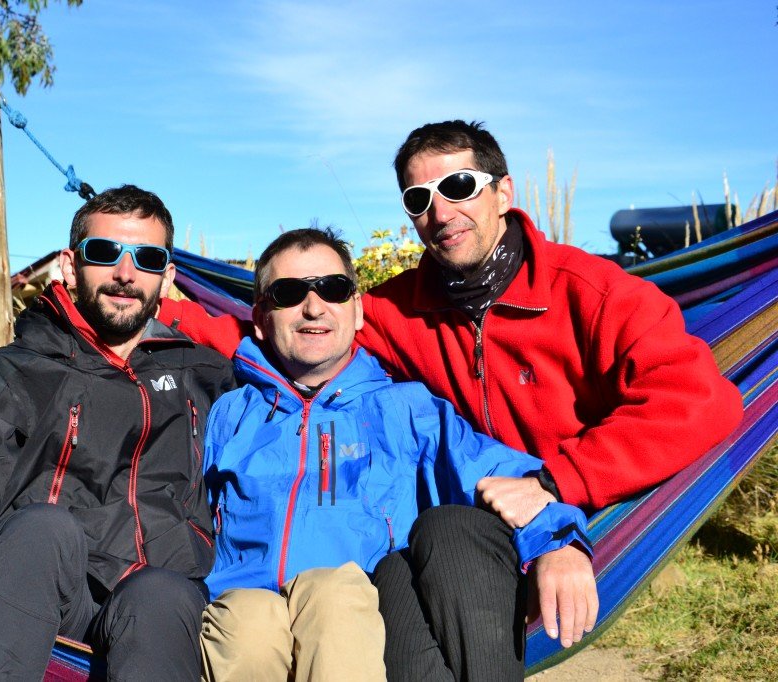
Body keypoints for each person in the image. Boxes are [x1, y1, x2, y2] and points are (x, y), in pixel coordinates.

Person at [155, 121, 742, 678]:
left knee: (443, 534)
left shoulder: (594, 293)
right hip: (456, 525)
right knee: (408, 561)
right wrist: (154, 305)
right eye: (418, 198)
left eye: (459, 186)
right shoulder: (397, 310)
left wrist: (558, 489)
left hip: (567, 509)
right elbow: (286, 339)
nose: (440, 212)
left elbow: (701, 402)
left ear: (503, 191)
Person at [197, 227, 595, 682]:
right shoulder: (228, 414)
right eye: (288, 293)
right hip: (241, 612)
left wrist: (559, 542)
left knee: (334, 595)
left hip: (359, 620)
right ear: (261, 318)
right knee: (249, 622)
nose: (313, 306)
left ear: (358, 310)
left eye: (333, 288)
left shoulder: (405, 410)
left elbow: (500, 472)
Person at [0, 185, 234, 681]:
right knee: (44, 528)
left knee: (159, 591)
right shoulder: (16, 378)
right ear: (69, 265)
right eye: (105, 253)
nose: (125, 274)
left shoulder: (206, 378)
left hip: (163, 612)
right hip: (45, 602)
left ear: (166, 277)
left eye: (146, 259)